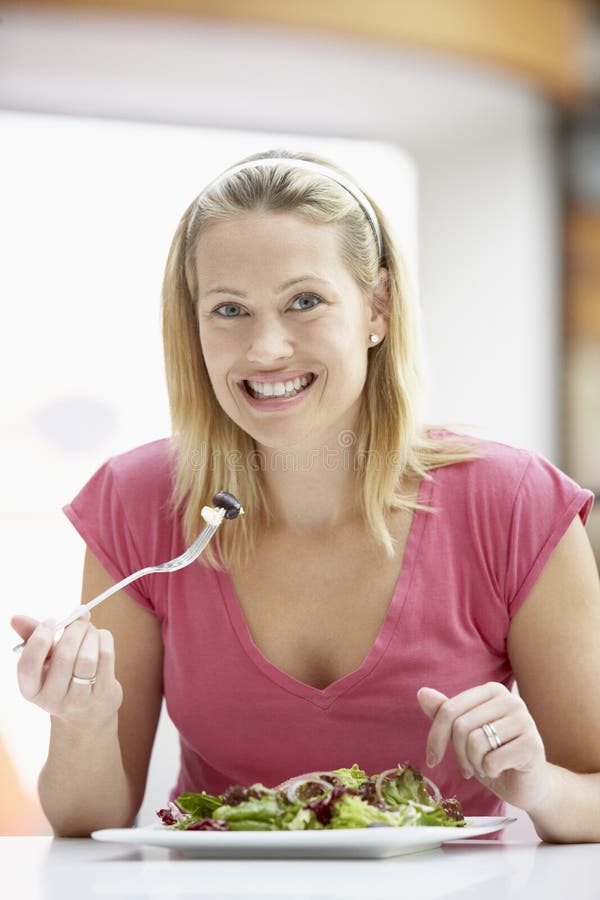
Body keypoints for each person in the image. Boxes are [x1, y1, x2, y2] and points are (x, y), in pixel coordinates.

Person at [11, 149, 600, 841]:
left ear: (376, 307)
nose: (265, 349)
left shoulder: (515, 503)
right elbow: (88, 820)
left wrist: (537, 785)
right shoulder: (137, 504)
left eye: (305, 302)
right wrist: (81, 721)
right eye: (230, 309)